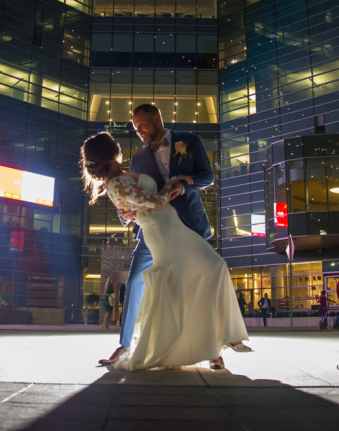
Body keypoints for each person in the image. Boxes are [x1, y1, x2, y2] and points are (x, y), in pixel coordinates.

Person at [82, 130, 250, 370]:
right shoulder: (120, 179)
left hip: (177, 226)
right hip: (161, 231)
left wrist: (179, 183)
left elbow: (139, 197)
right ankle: (195, 343)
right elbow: (156, 201)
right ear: (112, 152)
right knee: (186, 278)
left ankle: (218, 340)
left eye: (141, 124)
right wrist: (172, 185)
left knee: (211, 268)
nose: (139, 129)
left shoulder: (122, 174)